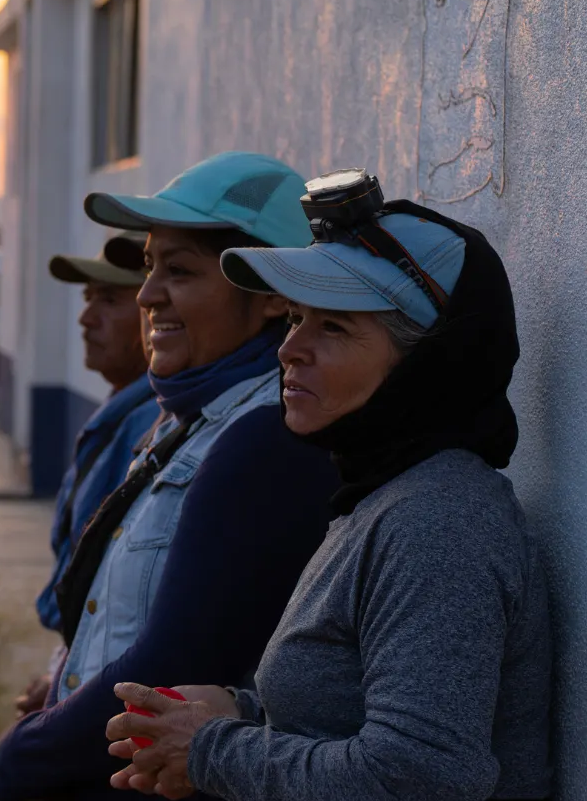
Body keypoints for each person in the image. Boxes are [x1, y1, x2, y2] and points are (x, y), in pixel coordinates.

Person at [102, 184, 552, 801]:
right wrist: (240, 712)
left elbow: (421, 775)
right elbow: (347, 716)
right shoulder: (383, 497)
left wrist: (210, 749)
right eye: (294, 317)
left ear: (426, 363)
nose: (290, 349)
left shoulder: (441, 523)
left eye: (334, 326)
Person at [0, 152, 342, 801]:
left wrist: (24, 755)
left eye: (178, 272)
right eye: (150, 268)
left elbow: (176, 665)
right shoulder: (188, 421)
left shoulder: (266, 438)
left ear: (270, 296)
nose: (148, 295)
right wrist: (63, 689)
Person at [14, 233, 160, 715]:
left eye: (110, 300)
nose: (85, 318)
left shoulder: (149, 428)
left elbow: (120, 596)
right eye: (87, 298)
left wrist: (67, 679)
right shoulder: (121, 413)